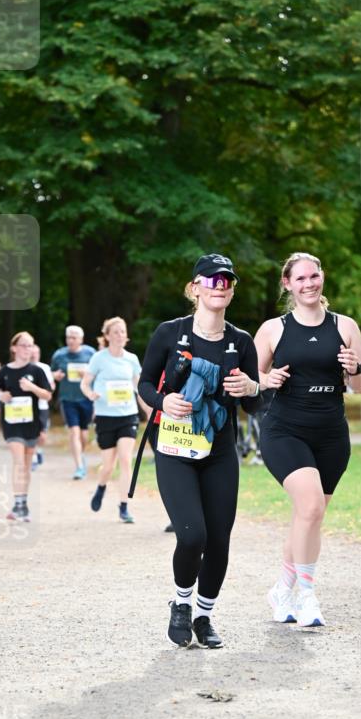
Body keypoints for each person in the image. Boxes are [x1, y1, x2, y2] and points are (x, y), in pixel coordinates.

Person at [138, 253, 261, 648]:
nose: (219, 287)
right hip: (175, 446)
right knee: (192, 535)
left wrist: (252, 389)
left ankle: (204, 617)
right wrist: (162, 402)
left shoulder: (241, 341)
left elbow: (255, 404)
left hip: (220, 450)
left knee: (220, 540)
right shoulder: (169, 333)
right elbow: (143, 386)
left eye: (226, 281)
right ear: (194, 288)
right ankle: (181, 603)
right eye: (211, 280)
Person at [254, 252, 361, 628]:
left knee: (309, 516)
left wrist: (354, 367)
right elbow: (248, 380)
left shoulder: (345, 325)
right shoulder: (274, 329)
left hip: (332, 433)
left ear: (322, 278)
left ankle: (282, 589)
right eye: (300, 278)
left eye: (314, 276)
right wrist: (265, 380)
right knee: (311, 508)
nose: (309, 284)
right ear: (288, 284)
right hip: (285, 429)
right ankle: (306, 596)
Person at [81, 317, 145, 524]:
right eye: (115, 332)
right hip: (105, 416)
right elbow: (85, 383)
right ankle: (101, 487)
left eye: (123, 331)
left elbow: (140, 388)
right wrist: (90, 394)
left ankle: (124, 506)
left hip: (128, 416)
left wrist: (150, 409)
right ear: (107, 336)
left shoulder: (132, 359)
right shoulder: (99, 358)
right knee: (108, 465)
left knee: (126, 460)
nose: (120, 335)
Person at [0, 332, 52, 521]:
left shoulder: (37, 371)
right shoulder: (4, 371)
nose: (28, 349)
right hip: (11, 423)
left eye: (31, 345)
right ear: (14, 348)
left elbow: (47, 395)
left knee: (26, 465)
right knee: (18, 461)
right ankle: (19, 504)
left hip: (31, 423)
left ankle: (22, 503)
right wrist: (1, 395)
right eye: (24, 345)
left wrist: (32, 388)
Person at [50, 325, 96, 479]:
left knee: (83, 434)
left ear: (81, 339)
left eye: (74, 337)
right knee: (73, 432)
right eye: (68, 337)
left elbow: (99, 374)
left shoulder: (90, 353)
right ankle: (79, 467)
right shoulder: (59, 355)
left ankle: (80, 455)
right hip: (67, 399)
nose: (71, 340)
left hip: (86, 398)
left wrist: (88, 374)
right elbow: (51, 373)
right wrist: (55, 375)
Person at [30, 344, 55, 469]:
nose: (34, 355)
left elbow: (51, 385)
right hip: (28, 406)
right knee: (32, 433)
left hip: (42, 405)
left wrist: (46, 391)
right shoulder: (24, 368)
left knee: (42, 435)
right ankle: (33, 459)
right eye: (32, 352)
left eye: (36, 352)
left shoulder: (45, 368)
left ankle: (39, 450)